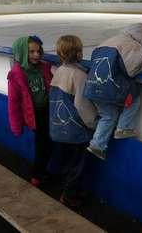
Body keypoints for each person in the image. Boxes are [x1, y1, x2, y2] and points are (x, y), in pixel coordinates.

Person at [84, 23, 142, 160]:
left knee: (108, 115)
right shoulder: (134, 45)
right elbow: (131, 70)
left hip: (92, 86)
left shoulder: (107, 42)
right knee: (134, 98)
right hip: (109, 86)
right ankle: (123, 127)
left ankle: (97, 144)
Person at [49, 35, 97, 207]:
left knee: (67, 162)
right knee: (76, 165)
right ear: (78, 53)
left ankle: (69, 189)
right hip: (75, 131)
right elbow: (81, 105)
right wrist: (93, 124)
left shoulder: (59, 70)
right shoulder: (79, 75)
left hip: (58, 128)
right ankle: (68, 196)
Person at [7, 35, 53, 187]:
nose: (36, 55)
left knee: (48, 144)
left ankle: (42, 172)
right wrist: (16, 126)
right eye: (31, 52)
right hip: (35, 116)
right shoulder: (17, 74)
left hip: (48, 111)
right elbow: (13, 103)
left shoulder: (44, 67)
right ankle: (37, 175)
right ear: (22, 52)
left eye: (38, 51)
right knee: (42, 146)